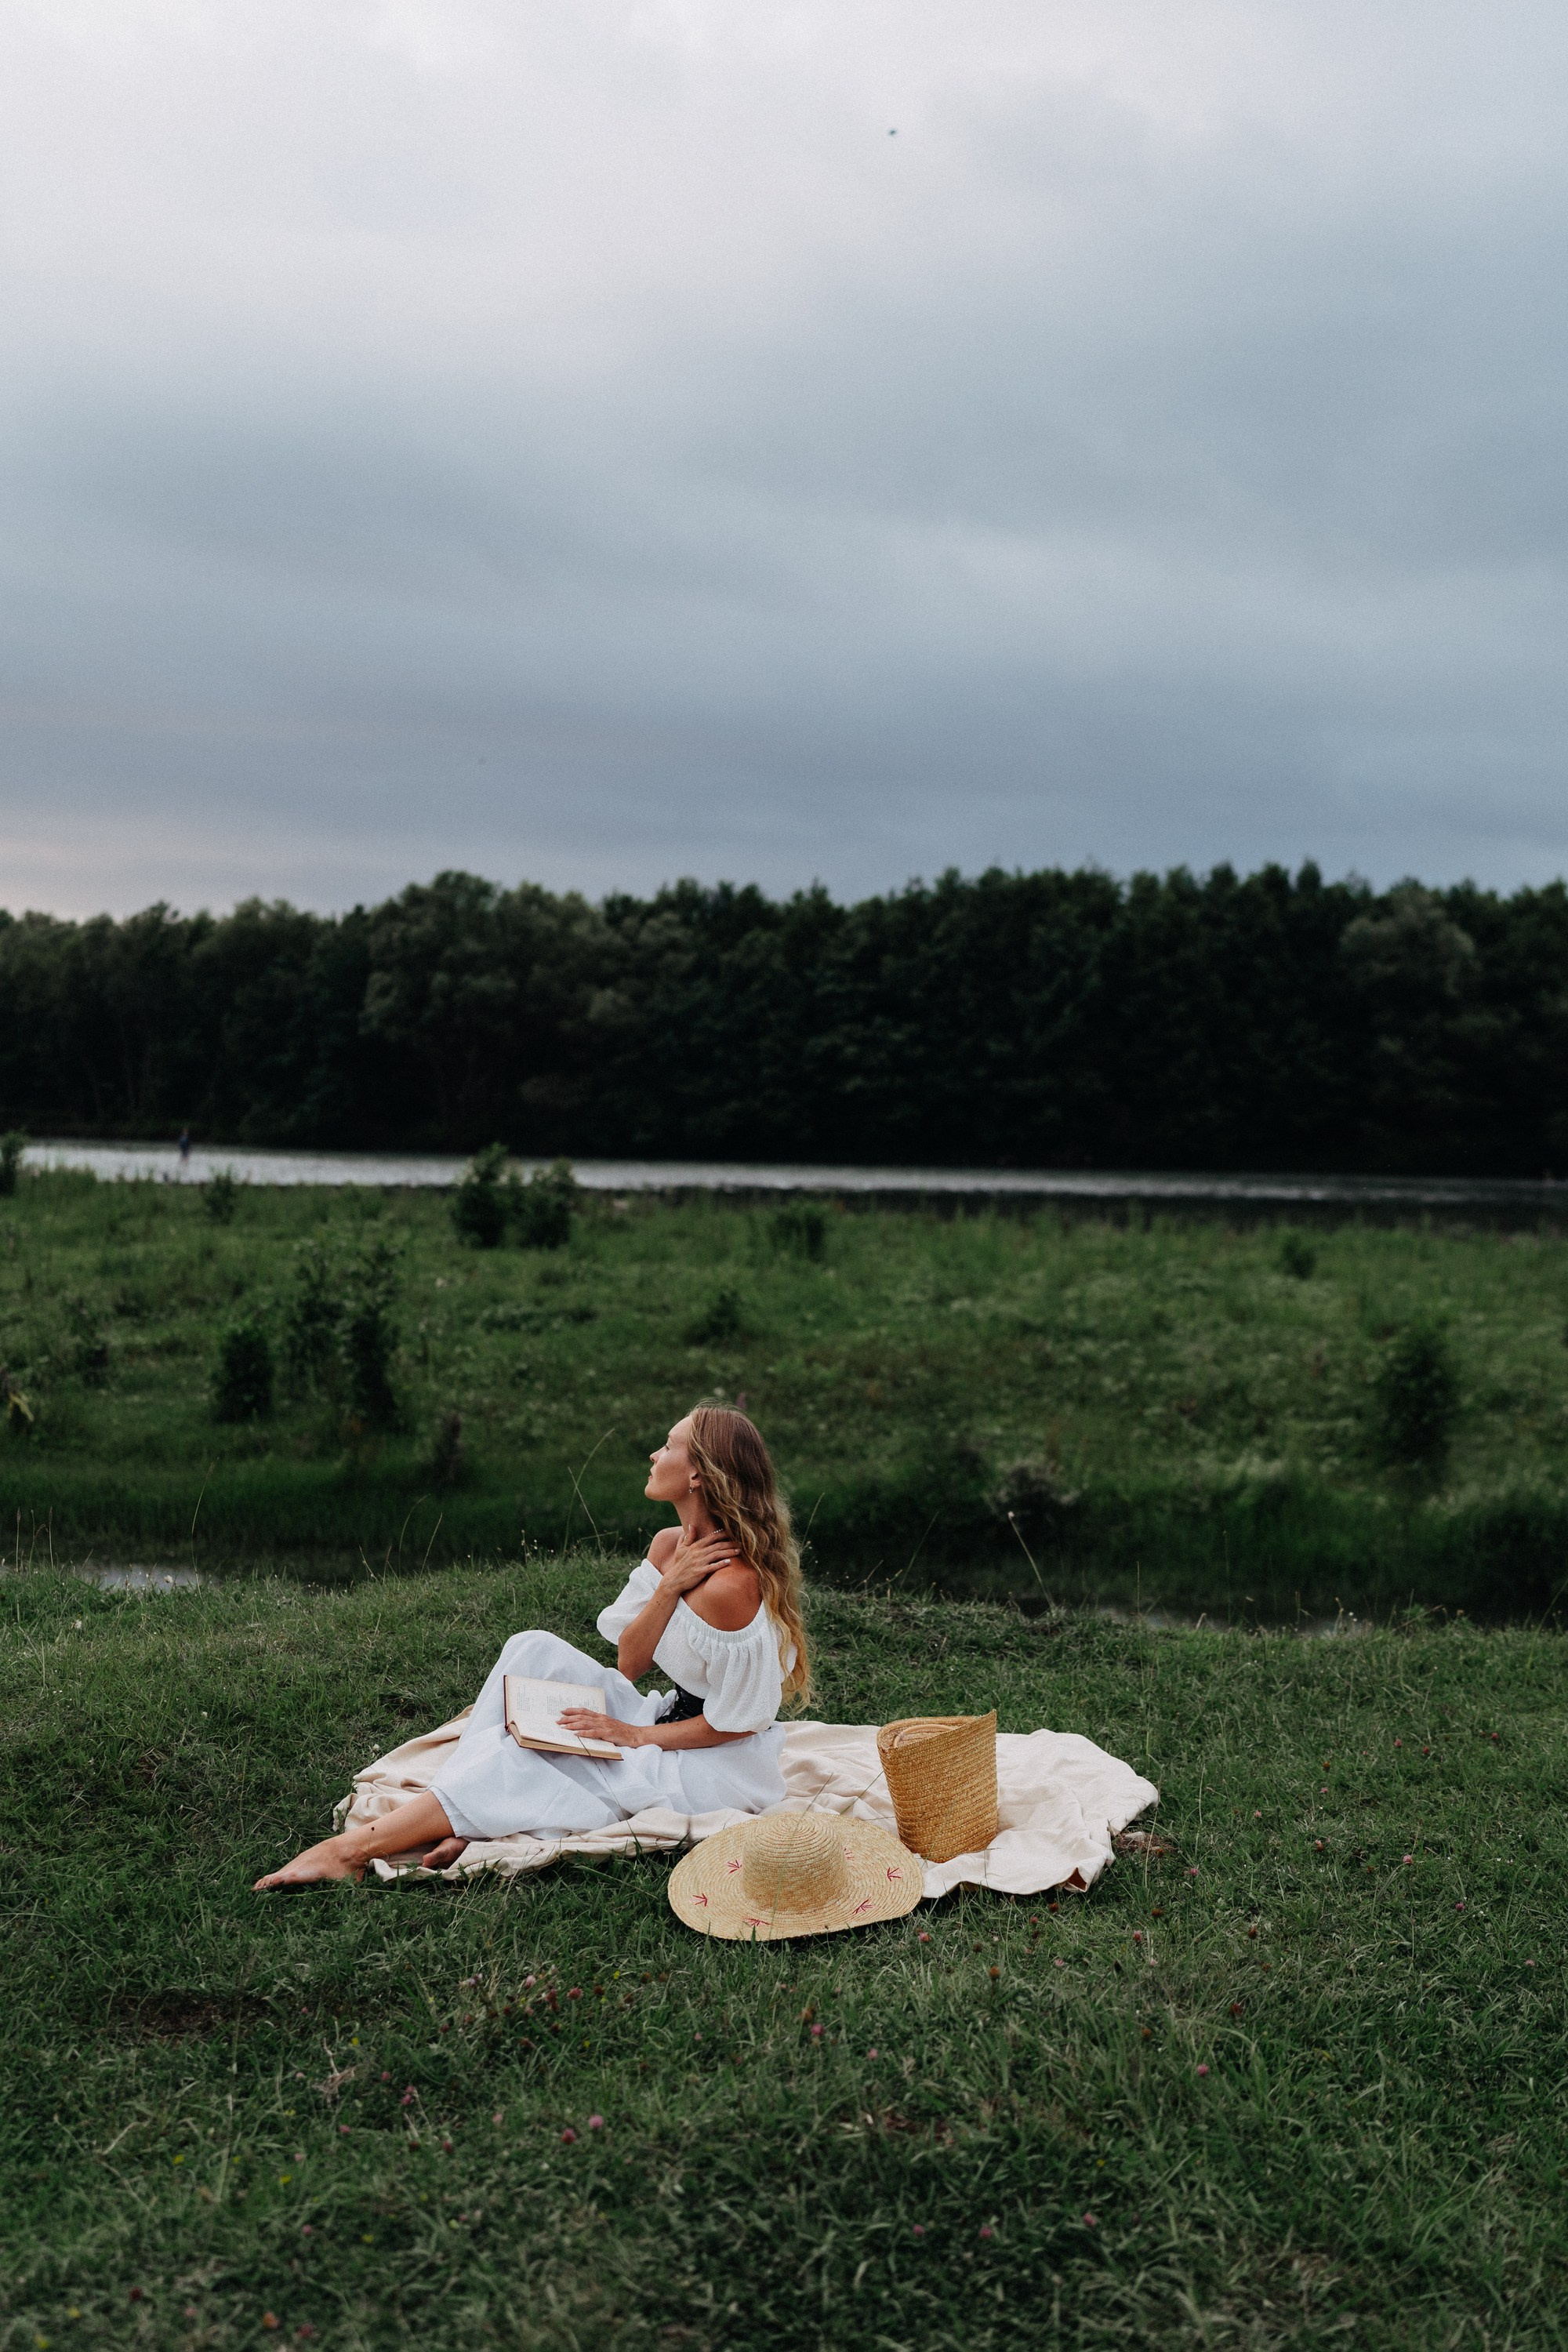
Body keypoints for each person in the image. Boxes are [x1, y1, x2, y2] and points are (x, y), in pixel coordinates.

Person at [254, 1406, 810, 1888]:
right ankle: (458, 1813)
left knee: (535, 1752)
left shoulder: (732, 1586)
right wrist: (668, 1585)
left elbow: (740, 1723)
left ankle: (353, 1850)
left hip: (714, 1762)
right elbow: (630, 1663)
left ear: (695, 1475)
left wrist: (636, 1735)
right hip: (669, 1720)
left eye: (667, 1445)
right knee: (532, 1650)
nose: (652, 1453)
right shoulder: (670, 1546)